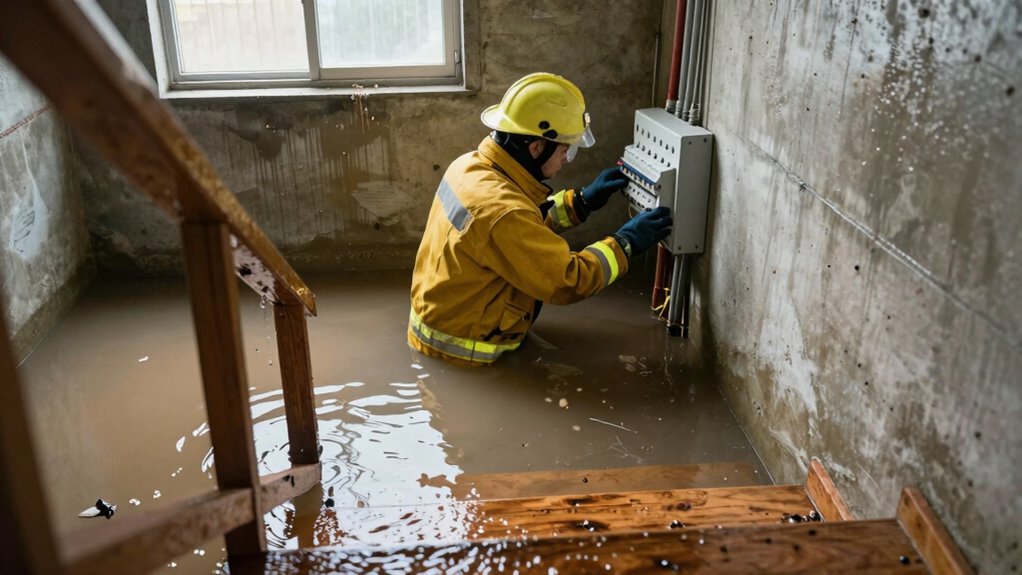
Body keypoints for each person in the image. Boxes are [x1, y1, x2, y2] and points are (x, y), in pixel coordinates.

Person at [408, 72, 672, 366]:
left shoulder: (470, 166)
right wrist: (626, 243)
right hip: (465, 351)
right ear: (535, 147)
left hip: (443, 321)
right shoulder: (502, 212)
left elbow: (521, 228)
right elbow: (567, 280)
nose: (567, 159)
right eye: (565, 150)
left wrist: (580, 202)